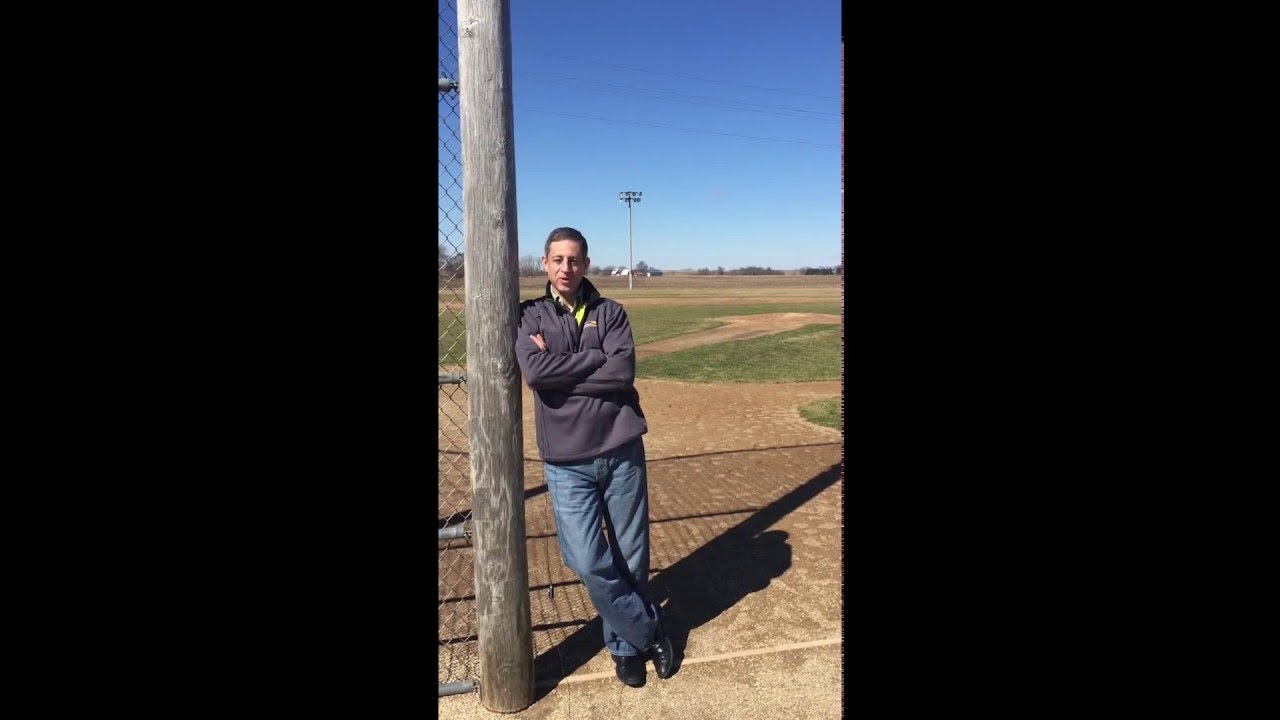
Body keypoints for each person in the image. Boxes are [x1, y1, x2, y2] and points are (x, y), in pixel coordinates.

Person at [515, 226, 674, 688]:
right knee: (586, 559)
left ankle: (625, 648)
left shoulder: (611, 312)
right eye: (558, 260)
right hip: (567, 460)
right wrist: (591, 358)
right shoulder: (530, 316)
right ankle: (646, 629)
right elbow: (536, 373)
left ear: (586, 264)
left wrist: (562, 372)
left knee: (630, 555)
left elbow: (621, 373)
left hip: (622, 448)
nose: (567, 268)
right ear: (545, 264)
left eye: (575, 260)